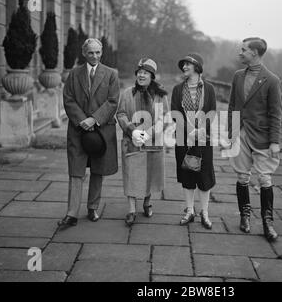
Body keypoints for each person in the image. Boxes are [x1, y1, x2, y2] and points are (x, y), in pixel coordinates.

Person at [58, 38, 120, 227]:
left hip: (102, 130)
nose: (94, 56)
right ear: (84, 53)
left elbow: (112, 101)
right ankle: (72, 213)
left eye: (98, 52)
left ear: (102, 53)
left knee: (97, 169)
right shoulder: (74, 74)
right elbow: (68, 98)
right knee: (76, 171)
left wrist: (94, 119)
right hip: (78, 130)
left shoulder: (111, 74)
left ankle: (93, 208)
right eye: (91, 52)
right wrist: (81, 120)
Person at [227, 37, 282, 242]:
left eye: (244, 50)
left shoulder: (272, 80)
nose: (240, 53)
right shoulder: (237, 76)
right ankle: (245, 216)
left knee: (264, 179)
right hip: (241, 133)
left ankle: (268, 222)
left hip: (262, 137)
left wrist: (275, 142)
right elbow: (233, 106)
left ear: (255, 53)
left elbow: (276, 113)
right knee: (242, 177)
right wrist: (231, 134)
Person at [117, 58, 169, 227]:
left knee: (150, 173)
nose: (141, 75)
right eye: (139, 72)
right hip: (131, 140)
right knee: (131, 173)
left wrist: (148, 133)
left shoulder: (160, 96)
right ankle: (131, 210)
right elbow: (121, 114)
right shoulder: (127, 93)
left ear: (152, 76)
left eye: (145, 72)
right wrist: (132, 130)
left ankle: (147, 202)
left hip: (152, 141)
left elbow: (163, 119)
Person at [171, 53, 217, 230]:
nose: (184, 67)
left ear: (197, 67)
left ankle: (204, 213)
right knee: (188, 175)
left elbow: (212, 110)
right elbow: (175, 112)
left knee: (204, 175)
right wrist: (189, 131)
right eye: (183, 65)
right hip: (184, 138)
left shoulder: (209, 89)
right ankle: (189, 211)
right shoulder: (177, 89)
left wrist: (202, 129)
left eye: (187, 65)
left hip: (203, 138)